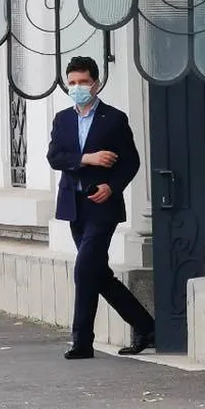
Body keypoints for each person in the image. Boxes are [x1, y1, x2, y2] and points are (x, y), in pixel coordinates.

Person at [47, 55, 155, 360]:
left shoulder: (114, 118)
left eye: (83, 82)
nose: (77, 87)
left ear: (95, 83)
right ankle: (146, 326)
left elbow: (131, 161)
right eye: (72, 83)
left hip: (102, 206)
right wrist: (86, 158)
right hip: (74, 205)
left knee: (84, 270)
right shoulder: (63, 120)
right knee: (97, 273)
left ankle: (82, 341)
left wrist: (112, 186)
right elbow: (55, 156)